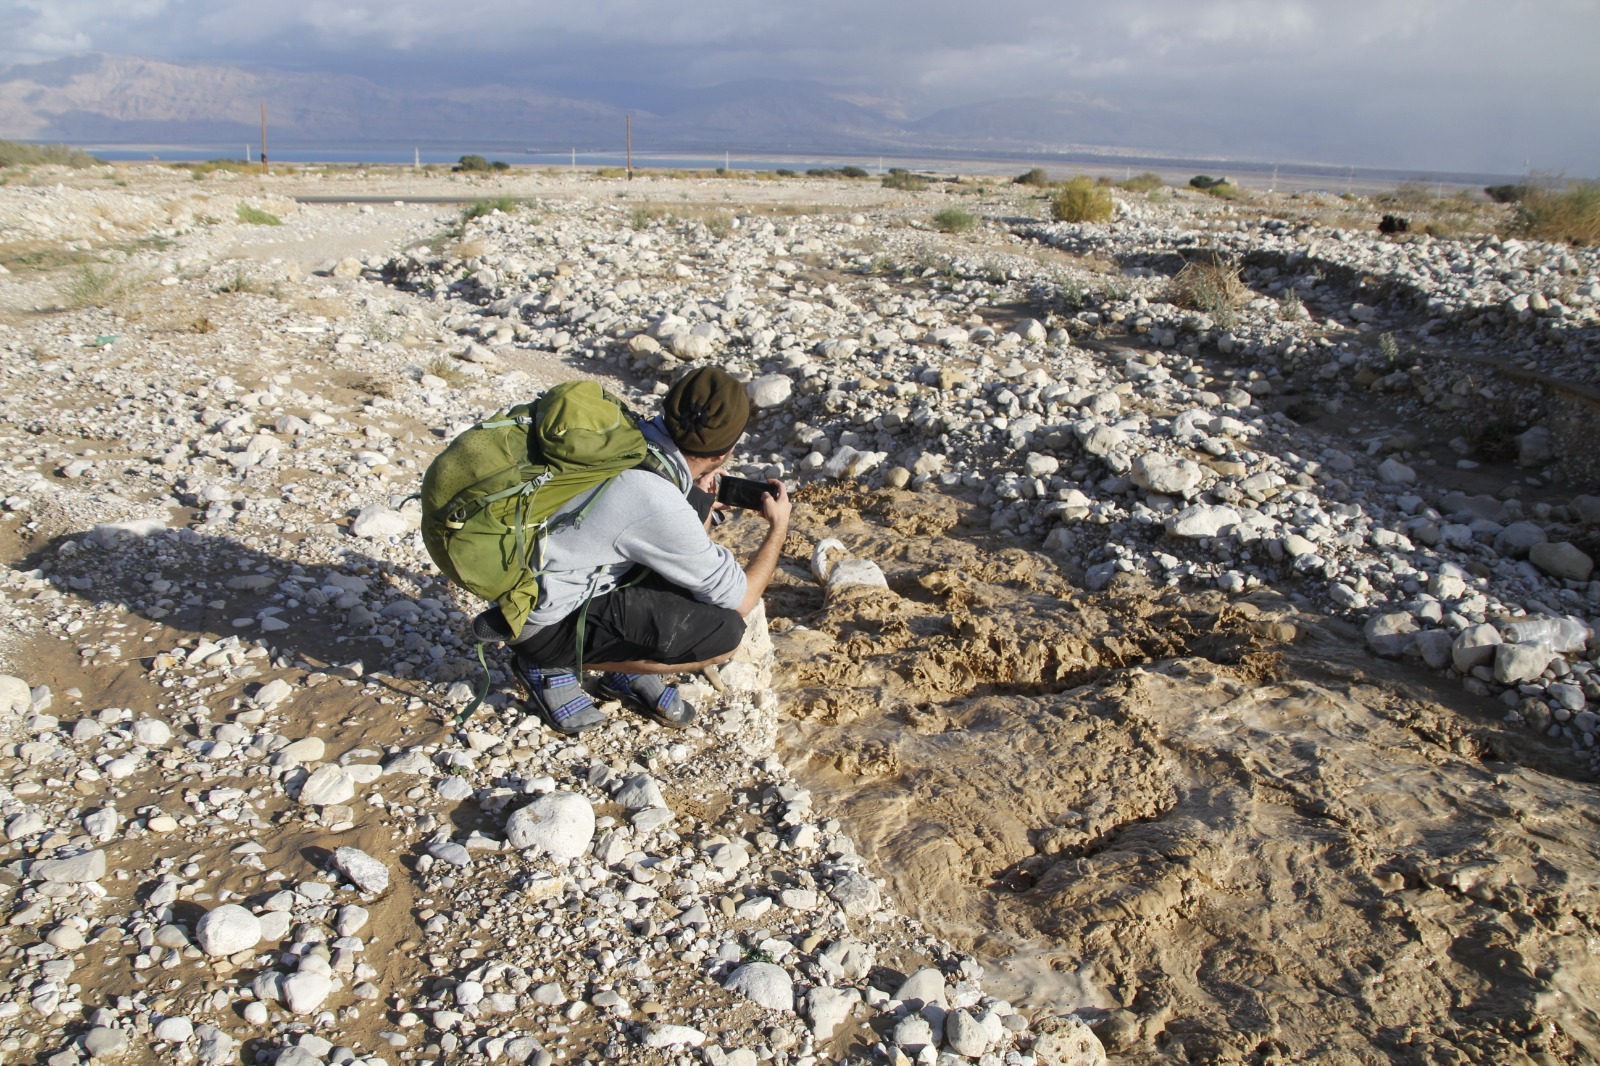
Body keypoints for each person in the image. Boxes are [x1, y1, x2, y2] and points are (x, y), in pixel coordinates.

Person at [492, 366, 791, 735]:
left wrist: (698, 497)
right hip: (537, 624)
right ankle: (547, 664)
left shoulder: (625, 434)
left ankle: (619, 669)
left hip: (517, 578)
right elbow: (740, 599)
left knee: (685, 574)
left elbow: (656, 536)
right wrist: (779, 528)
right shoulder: (656, 501)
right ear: (725, 452)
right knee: (723, 633)